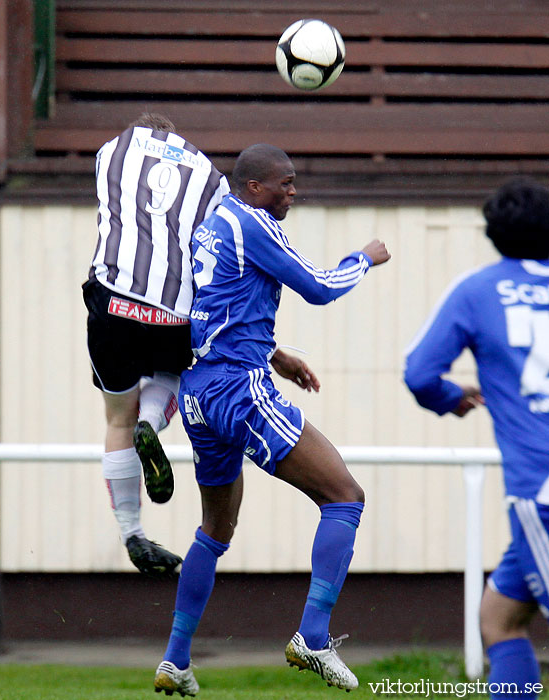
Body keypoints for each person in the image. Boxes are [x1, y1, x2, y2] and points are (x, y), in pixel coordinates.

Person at [153, 143, 391, 696]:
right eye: (284, 183)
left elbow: (216, 305)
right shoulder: (256, 224)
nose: (293, 191)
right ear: (254, 187)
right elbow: (320, 287)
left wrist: (274, 352)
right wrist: (365, 258)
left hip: (199, 394)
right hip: (239, 390)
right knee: (344, 496)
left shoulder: (214, 225)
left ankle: (175, 659)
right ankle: (312, 635)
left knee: (215, 529)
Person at [403, 177, 549, 699]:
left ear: (493, 234)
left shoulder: (479, 289)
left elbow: (420, 373)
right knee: (499, 618)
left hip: (542, 493)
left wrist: (452, 398)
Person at [82, 112, 230, 578]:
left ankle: (131, 532)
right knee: (173, 372)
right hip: (173, 312)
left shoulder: (111, 153)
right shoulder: (211, 176)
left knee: (115, 419)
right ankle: (153, 421)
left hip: (113, 301)